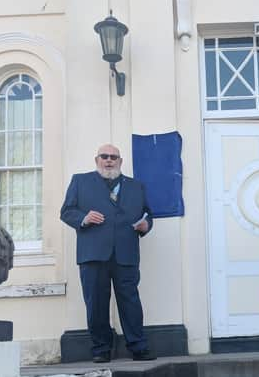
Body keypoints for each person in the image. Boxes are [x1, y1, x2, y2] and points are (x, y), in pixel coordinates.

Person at [60, 144, 156, 363]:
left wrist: (146, 225)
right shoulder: (80, 181)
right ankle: (101, 349)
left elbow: (148, 214)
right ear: (97, 160)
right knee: (96, 304)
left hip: (126, 253)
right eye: (105, 156)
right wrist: (83, 218)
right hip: (93, 254)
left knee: (130, 302)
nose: (109, 160)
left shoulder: (136, 186)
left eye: (114, 157)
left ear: (120, 162)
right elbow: (67, 212)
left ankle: (138, 347)